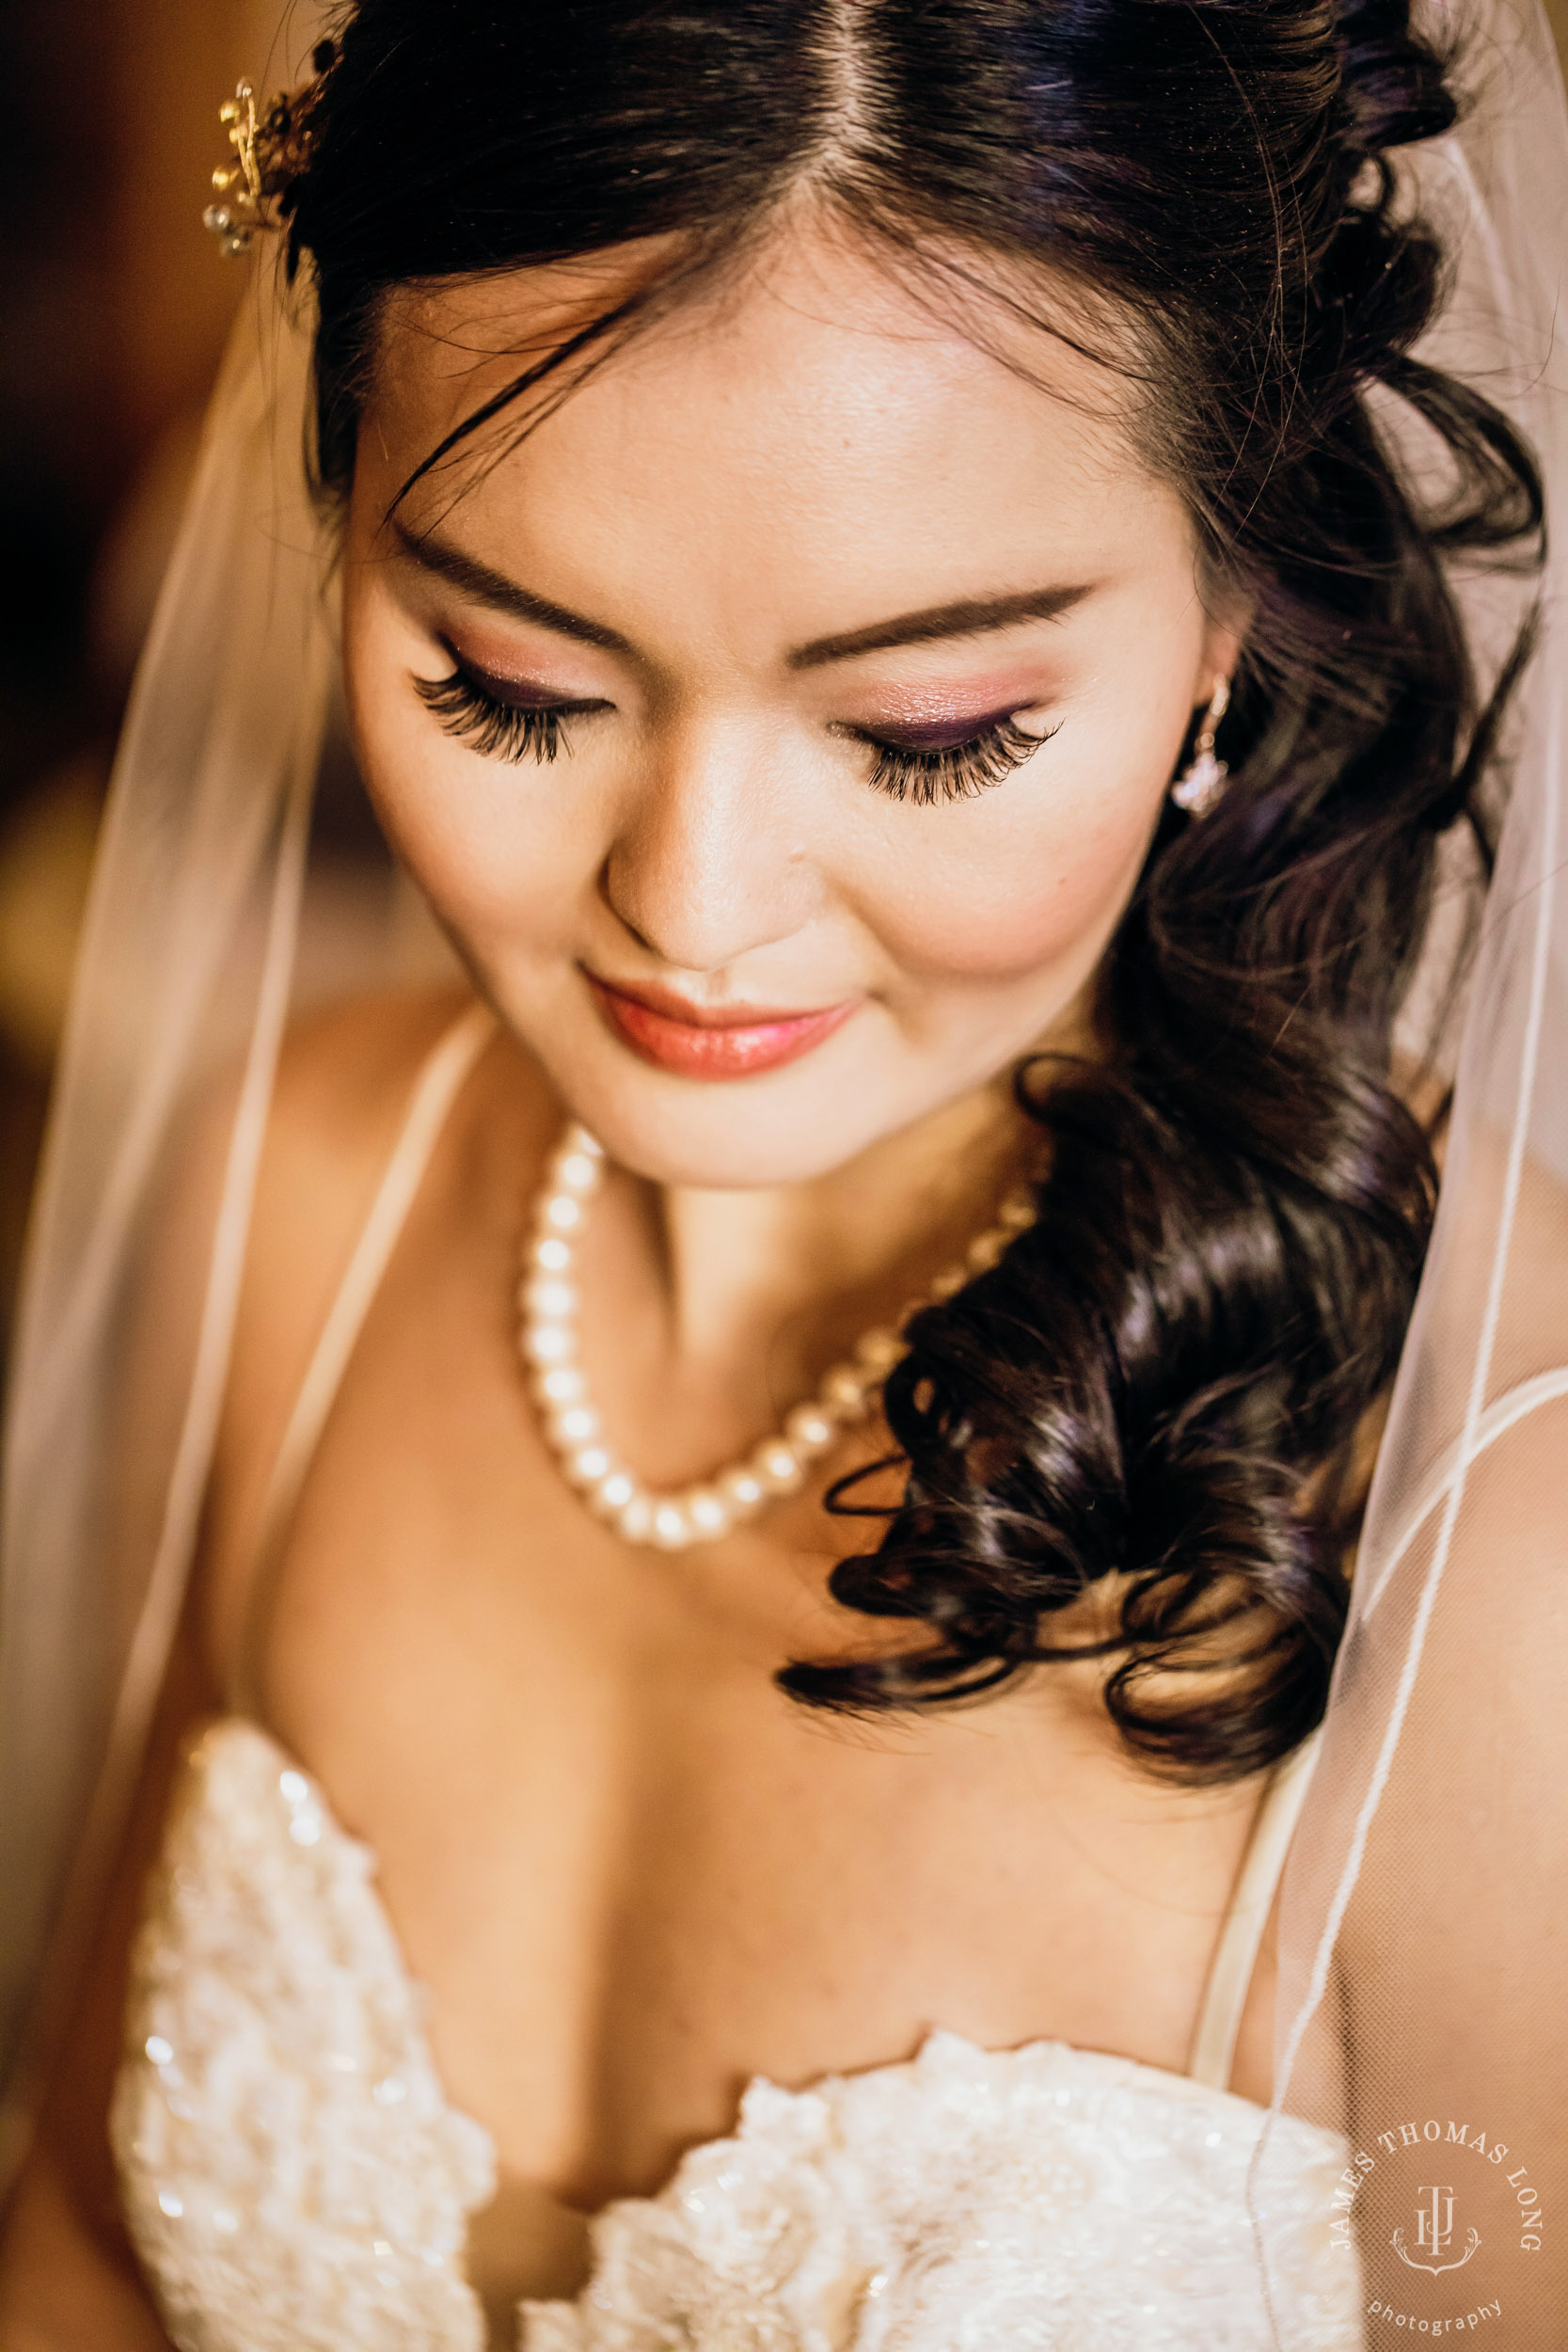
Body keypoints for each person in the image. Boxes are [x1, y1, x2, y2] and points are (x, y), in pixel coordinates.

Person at [0, 0, 1564, 2344]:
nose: (694, 905)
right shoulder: (293, 1195)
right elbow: (80, 2252)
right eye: (515, 684)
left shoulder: (1491, 1544)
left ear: (1228, 630)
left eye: (928, 733)